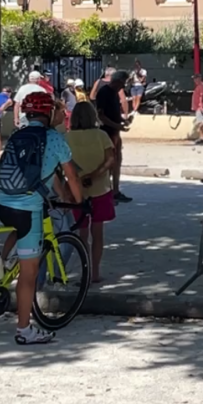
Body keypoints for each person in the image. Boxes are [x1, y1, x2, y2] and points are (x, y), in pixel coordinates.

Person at [0, 90, 84, 345]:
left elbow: (44, 173)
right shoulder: (53, 139)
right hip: (28, 207)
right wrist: (78, 202)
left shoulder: (18, 135)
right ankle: (24, 330)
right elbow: (71, 176)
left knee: (17, 231)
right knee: (28, 274)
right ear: (47, 113)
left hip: (3, 202)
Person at [67, 100, 116, 283]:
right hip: (100, 188)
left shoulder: (68, 137)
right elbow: (110, 159)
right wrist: (95, 175)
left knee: (82, 234)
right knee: (98, 233)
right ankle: (95, 272)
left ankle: (84, 271)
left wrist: (79, 178)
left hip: (77, 190)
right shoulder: (102, 135)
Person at [95, 69, 132, 202]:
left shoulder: (114, 94)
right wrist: (117, 125)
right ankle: (108, 191)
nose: (123, 86)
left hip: (115, 132)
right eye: (123, 83)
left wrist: (122, 120)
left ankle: (115, 191)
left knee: (117, 162)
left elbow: (112, 113)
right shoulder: (104, 92)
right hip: (107, 133)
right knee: (109, 163)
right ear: (117, 81)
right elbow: (101, 115)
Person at [191, 73, 203, 146]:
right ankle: (202, 137)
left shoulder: (201, 86)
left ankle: (201, 138)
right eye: (194, 78)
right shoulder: (200, 86)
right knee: (202, 122)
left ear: (199, 78)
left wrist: (201, 106)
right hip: (199, 107)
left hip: (200, 107)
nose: (194, 80)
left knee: (200, 122)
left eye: (196, 78)